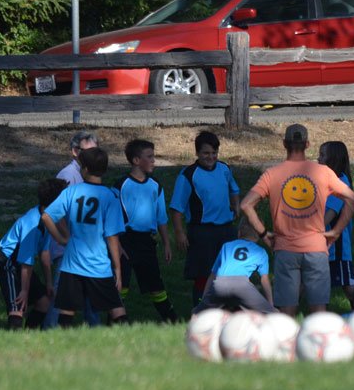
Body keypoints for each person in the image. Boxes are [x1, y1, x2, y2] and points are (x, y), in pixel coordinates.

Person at [240, 123, 354, 316]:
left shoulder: (272, 174)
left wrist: (263, 234)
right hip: (316, 249)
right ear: (308, 144)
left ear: (284, 144)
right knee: (318, 314)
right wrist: (336, 231)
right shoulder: (324, 172)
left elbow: (246, 204)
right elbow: (352, 200)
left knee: (286, 313)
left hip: (285, 249)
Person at [40, 147, 128, 327]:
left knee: (67, 310)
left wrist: (60, 239)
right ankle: (132, 340)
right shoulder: (110, 197)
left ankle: (62, 341)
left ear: (85, 169)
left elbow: (46, 216)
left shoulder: (71, 192)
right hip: (99, 264)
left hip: (72, 264)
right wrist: (117, 269)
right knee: (115, 308)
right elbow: (112, 237)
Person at [170, 131, 241, 307]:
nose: (211, 157)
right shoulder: (188, 175)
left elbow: (234, 189)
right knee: (204, 274)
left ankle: (227, 307)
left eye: (214, 153)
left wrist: (236, 205)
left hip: (226, 230)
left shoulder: (224, 169)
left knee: (230, 271)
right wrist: (179, 233)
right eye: (206, 153)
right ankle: (201, 309)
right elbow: (176, 208)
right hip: (202, 232)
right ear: (197, 153)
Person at [114, 139, 179, 323]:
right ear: (136, 160)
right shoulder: (121, 185)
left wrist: (166, 243)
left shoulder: (155, 185)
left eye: (153, 156)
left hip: (146, 243)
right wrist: (117, 244)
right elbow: (112, 219)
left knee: (156, 286)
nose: (153, 160)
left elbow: (161, 217)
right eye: (149, 157)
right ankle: (114, 323)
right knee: (121, 285)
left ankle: (172, 321)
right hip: (126, 242)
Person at [43, 130, 101, 328]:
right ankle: (49, 331)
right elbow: (56, 211)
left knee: (89, 294)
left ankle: (95, 331)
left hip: (84, 248)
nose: (94, 156)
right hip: (67, 249)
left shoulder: (86, 174)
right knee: (61, 296)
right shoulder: (68, 175)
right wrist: (66, 237)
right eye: (89, 152)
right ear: (75, 152)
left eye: (96, 151)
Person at [0, 178, 67, 329]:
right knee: (19, 306)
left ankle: (29, 335)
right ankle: (12, 338)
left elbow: (44, 252)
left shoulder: (47, 218)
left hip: (22, 263)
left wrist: (49, 282)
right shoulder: (32, 224)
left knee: (44, 303)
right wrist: (24, 291)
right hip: (8, 263)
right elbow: (26, 262)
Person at [192, 218, 276, 314]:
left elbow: (212, 275)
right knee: (270, 314)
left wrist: (204, 300)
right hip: (242, 286)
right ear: (258, 236)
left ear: (239, 233)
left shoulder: (226, 246)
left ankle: (195, 319)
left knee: (199, 313)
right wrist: (271, 305)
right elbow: (264, 281)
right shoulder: (261, 252)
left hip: (220, 284)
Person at [318, 140, 354, 303]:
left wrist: (308, 230)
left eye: (322, 155)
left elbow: (330, 214)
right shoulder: (325, 180)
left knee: (348, 286)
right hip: (322, 244)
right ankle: (285, 311)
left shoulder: (340, 183)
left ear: (333, 159)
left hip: (337, 247)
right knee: (308, 281)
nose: (318, 159)